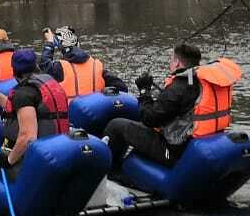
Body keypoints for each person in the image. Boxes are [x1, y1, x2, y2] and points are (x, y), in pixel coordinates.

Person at [102, 43, 242, 170]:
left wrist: (144, 92)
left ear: (176, 62)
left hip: (174, 153)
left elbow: (149, 119)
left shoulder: (180, 85)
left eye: (171, 60)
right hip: (200, 144)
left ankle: (111, 173)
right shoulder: (204, 84)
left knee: (116, 125)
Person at [0, 47, 70, 179]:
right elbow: (21, 108)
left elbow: (28, 137)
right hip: (55, 154)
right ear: (34, 66)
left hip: (30, 164)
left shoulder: (24, 94)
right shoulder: (48, 82)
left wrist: (8, 160)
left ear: (14, 71)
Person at [39, 26, 127, 97]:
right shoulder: (96, 66)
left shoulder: (60, 68)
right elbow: (122, 87)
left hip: (71, 115)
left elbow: (44, 64)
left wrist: (49, 42)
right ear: (78, 44)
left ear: (60, 48)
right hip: (96, 113)